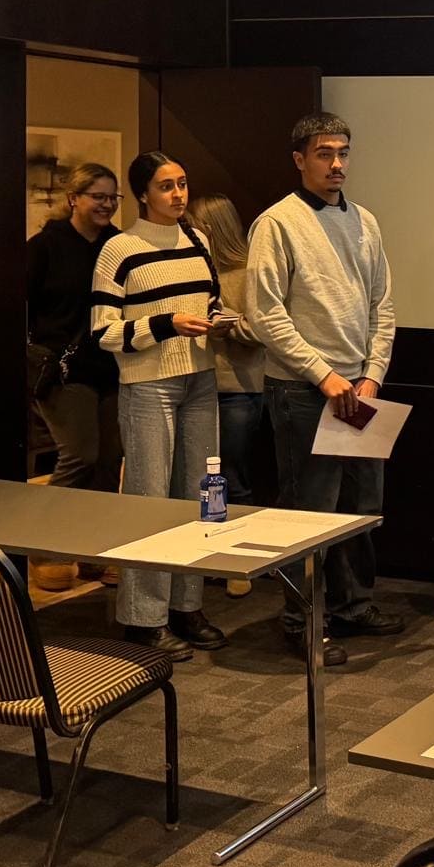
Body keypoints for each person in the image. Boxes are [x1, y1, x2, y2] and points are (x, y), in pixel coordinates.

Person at [249, 112, 401, 667]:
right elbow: (265, 313)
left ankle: (352, 606)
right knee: (308, 512)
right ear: (299, 159)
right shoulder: (277, 223)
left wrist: (371, 373)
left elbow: (382, 304)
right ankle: (302, 622)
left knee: (360, 506)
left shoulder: (365, 221)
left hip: (359, 387)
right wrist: (324, 374)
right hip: (303, 390)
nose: (336, 164)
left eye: (343, 152)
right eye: (323, 153)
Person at [91, 152, 229, 660]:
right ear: (143, 194)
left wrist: (218, 319)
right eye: (166, 186)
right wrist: (166, 324)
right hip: (148, 383)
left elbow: (208, 300)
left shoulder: (198, 240)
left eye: (183, 183)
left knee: (200, 495)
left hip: (200, 376)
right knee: (149, 498)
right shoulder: (119, 249)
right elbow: (103, 332)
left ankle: (186, 605)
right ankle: (142, 618)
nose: (178, 194)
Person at [26, 162, 123, 590]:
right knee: (80, 455)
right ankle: (43, 547)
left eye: (112, 197)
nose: (106, 205)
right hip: (61, 371)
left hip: (109, 366)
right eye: (97, 196)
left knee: (108, 462)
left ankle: (93, 551)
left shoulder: (118, 244)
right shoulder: (44, 246)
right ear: (73, 199)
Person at [189, 193, 267, 598]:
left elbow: (264, 329)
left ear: (211, 227)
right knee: (199, 477)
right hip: (198, 385)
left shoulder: (247, 272)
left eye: (194, 223)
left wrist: (225, 325)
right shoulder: (194, 271)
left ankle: (241, 562)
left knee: (234, 477)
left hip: (239, 388)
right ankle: (205, 558)